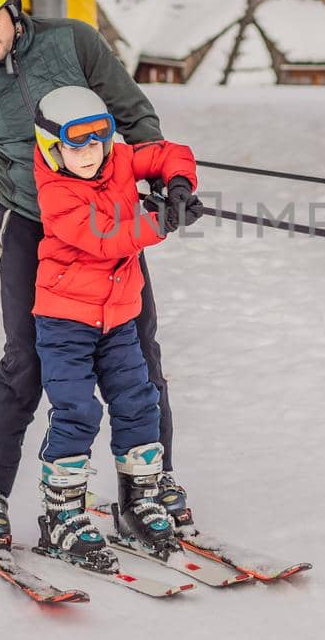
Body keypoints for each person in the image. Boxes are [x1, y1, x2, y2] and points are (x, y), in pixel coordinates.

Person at [0, 0, 197, 556]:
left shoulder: (72, 43)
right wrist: (43, 191)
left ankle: (147, 487)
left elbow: (132, 114)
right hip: (31, 224)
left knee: (136, 345)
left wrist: (164, 183)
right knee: (27, 358)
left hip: (109, 218)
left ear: (12, 7)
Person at [29, 86, 201, 569]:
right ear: (50, 146)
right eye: (74, 145)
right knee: (78, 410)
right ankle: (61, 512)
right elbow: (103, 237)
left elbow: (170, 153)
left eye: (97, 141)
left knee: (138, 401)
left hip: (120, 316)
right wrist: (159, 222)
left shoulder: (118, 160)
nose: (87, 154)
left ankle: (139, 501)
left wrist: (179, 186)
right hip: (65, 322)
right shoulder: (56, 190)